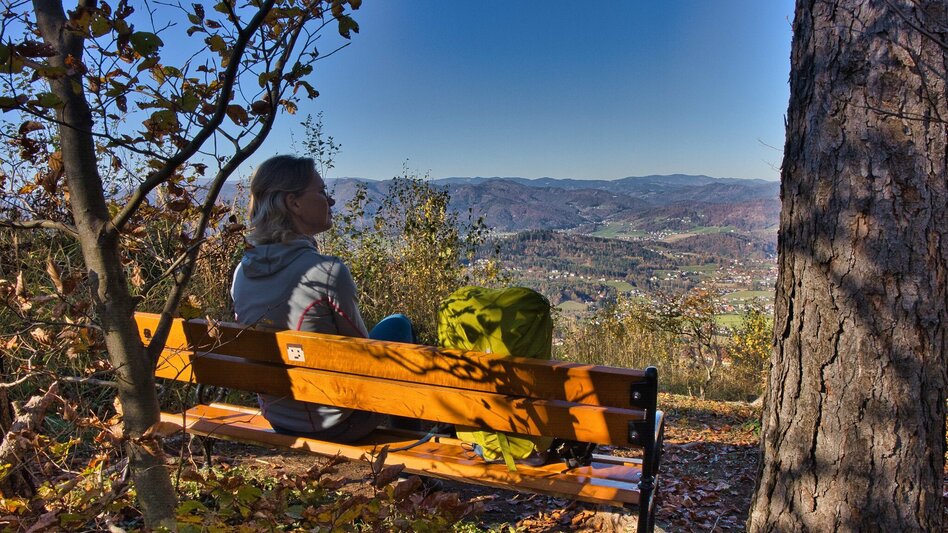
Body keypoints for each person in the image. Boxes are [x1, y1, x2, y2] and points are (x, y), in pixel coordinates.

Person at [231, 154, 413, 442]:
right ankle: (412, 438)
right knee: (398, 325)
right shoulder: (326, 272)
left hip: (278, 416)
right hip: (337, 422)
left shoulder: (242, 271)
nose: (330, 201)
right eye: (321, 191)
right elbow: (364, 356)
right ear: (294, 202)